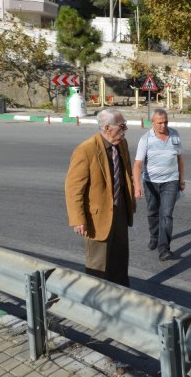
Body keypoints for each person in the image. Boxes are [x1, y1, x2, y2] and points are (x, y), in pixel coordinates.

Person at [65, 108, 136, 286]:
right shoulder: (86, 150)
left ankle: (121, 296)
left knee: (120, 260)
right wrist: (78, 219)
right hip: (97, 218)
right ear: (107, 128)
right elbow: (73, 188)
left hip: (120, 212)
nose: (125, 129)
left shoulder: (122, 144)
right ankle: (97, 303)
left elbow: (126, 173)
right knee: (99, 265)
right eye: (122, 126)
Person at [133, 109, 185, 261]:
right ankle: (154, 237)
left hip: (171, 181)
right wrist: (137, 186)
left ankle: (164, 249)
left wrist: (181, 180)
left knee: (166, 215)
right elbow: (137, 165)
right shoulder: (145, 139)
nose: (163, 125)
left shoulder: (175, 135)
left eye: (165, 122)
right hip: (151, 183)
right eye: (160, 123)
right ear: (152, 123)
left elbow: (180, 159)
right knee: (152, 213)